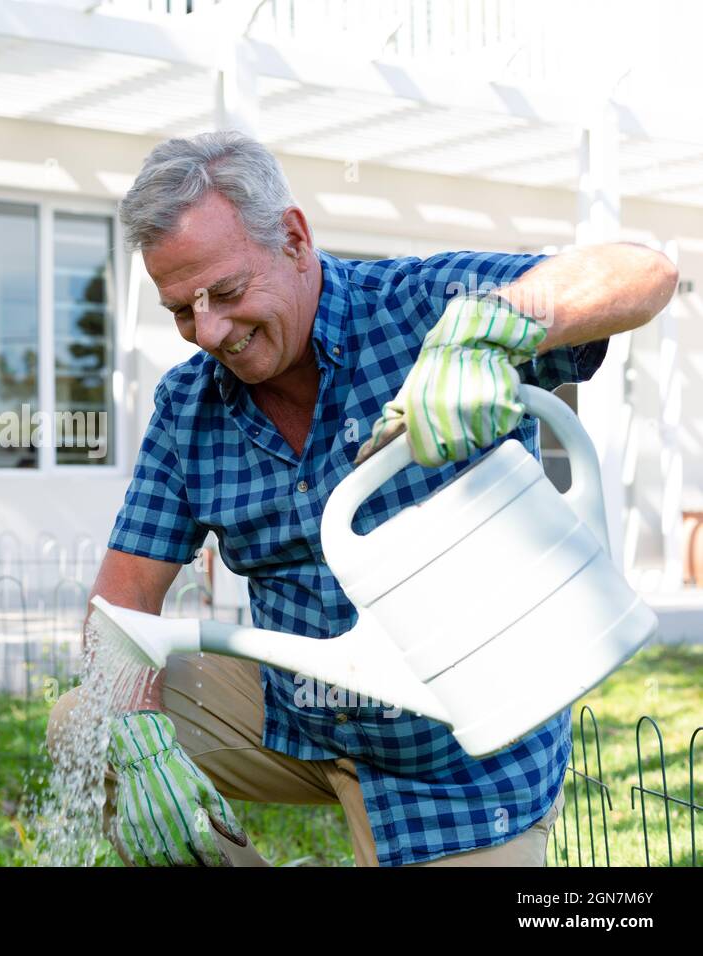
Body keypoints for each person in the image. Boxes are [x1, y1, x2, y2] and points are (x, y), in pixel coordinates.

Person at [46, 130, 677, 867]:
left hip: (464, 760)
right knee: (85, 718)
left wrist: (489, 334)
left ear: (293, 237)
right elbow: (119, 607)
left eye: (226, 292)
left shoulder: (423, 309)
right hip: (299, 715)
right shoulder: (189, 407)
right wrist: (136, 727)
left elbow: (642, 272)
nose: (209, 331)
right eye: (182, 310)